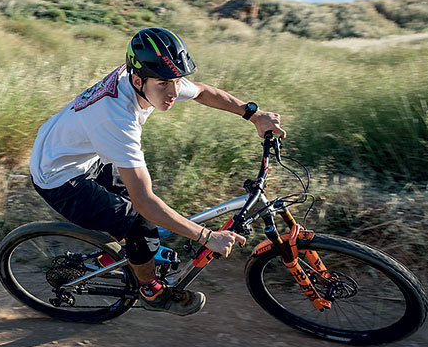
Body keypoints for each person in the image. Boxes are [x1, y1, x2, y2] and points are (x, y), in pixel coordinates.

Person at [29, 28, 286, 316]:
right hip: (58, 176)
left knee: (140, 215)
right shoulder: (117, 118)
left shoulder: (147, 78)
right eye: (164, 83)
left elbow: (202, 91)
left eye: (176, 81)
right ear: (138, 80)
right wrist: (206, 237)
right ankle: (151, 291)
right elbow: (144, 202)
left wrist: (253, 115)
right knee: (141, 222)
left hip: (80, 152)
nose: (173, 92)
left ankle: (121, 256)